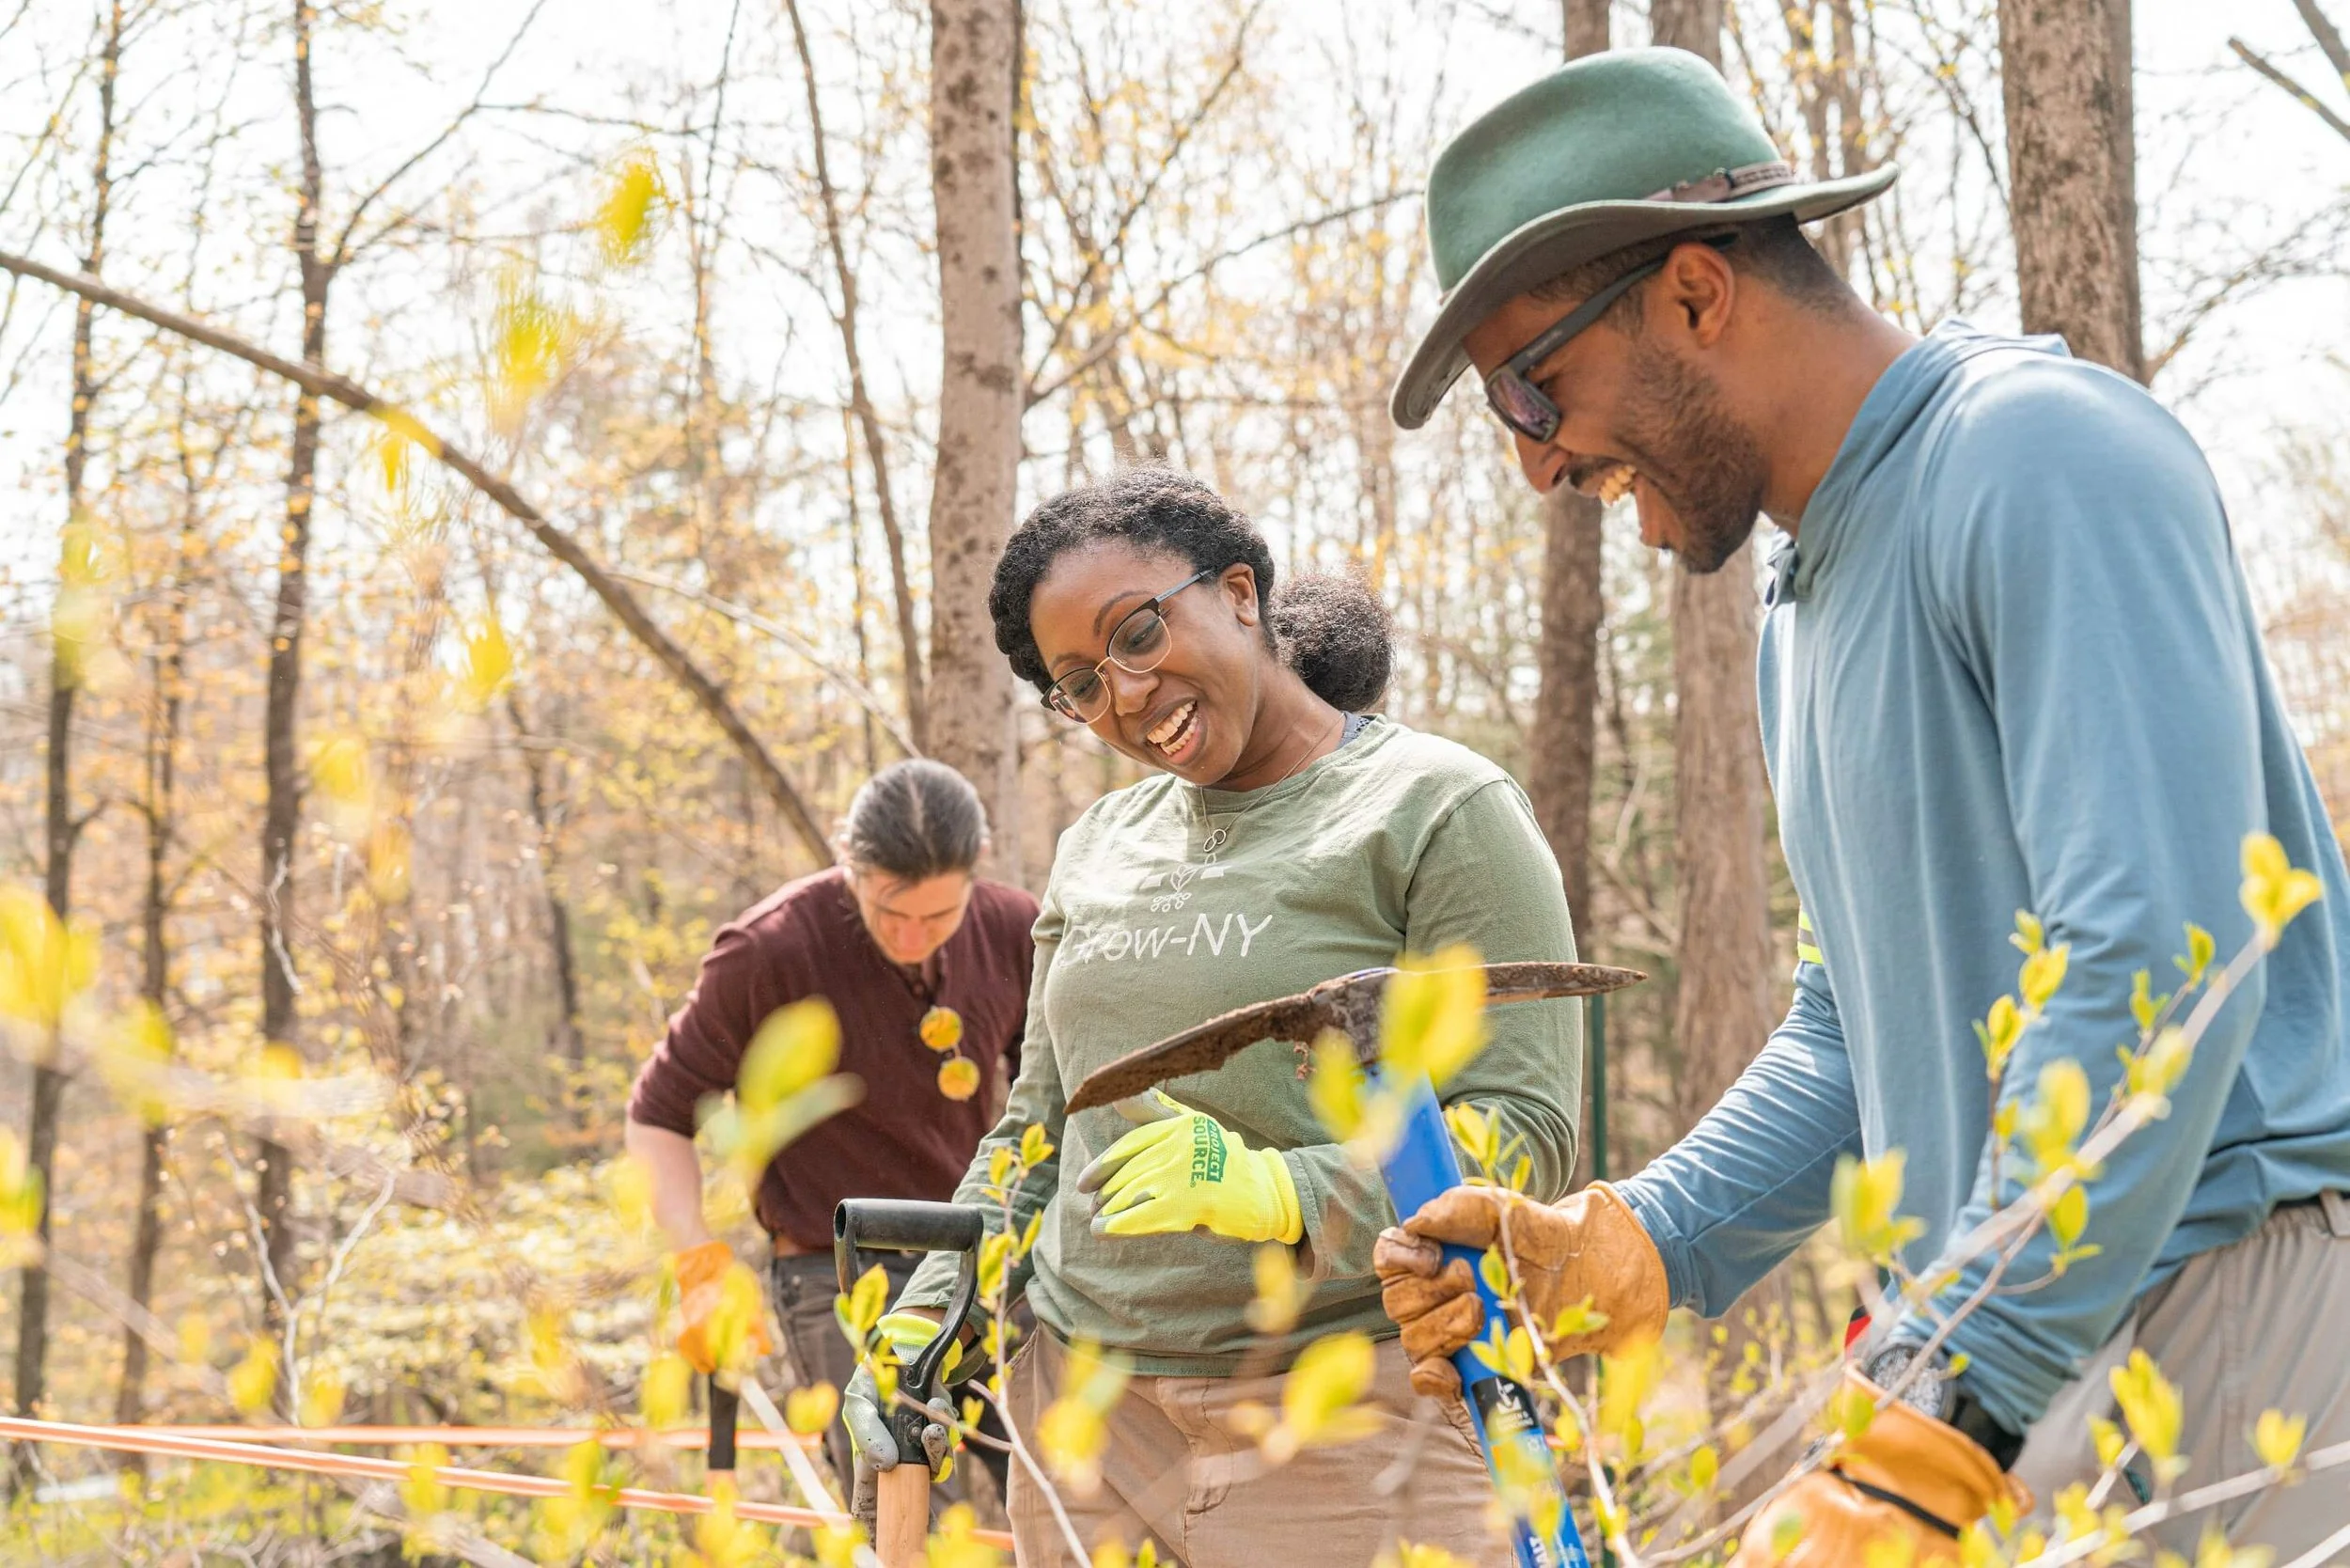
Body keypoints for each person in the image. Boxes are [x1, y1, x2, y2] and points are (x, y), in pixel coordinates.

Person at [1374, 45, 2350, 1562]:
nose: (1537, 462)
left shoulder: (2035, 455)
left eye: (1532, 385)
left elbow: (2154, 951)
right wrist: (1647, 1235)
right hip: (2007, 1346)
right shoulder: (1803, 605)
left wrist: (1948, 1409)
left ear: (1698, 292)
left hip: (2217, 1300)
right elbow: (1858, 1022)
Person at [842, 467, 1581, 1566]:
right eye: (1079, 684)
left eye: (1137, 634)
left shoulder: (1437, 809)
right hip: (1084, 1420)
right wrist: (948, 1295)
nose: (1125, 696)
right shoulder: (1099, 844)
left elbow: (1524, 1137)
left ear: (1238, 591)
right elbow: (1038, 1124)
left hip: (1348, 1405)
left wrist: (1279, 1191)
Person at [625, 758, 1040, 1501]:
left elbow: (1053, 1093)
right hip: (840, 1275)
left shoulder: (1013, 930)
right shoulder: (770, 951)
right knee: (906, 1513)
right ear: (849, 869)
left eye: (938, 917)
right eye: (890, 911)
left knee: (1062, 1491)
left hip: (985, 1261)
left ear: (975, 878)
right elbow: (658, 1113)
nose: (914, 934)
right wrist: (697, 1262)